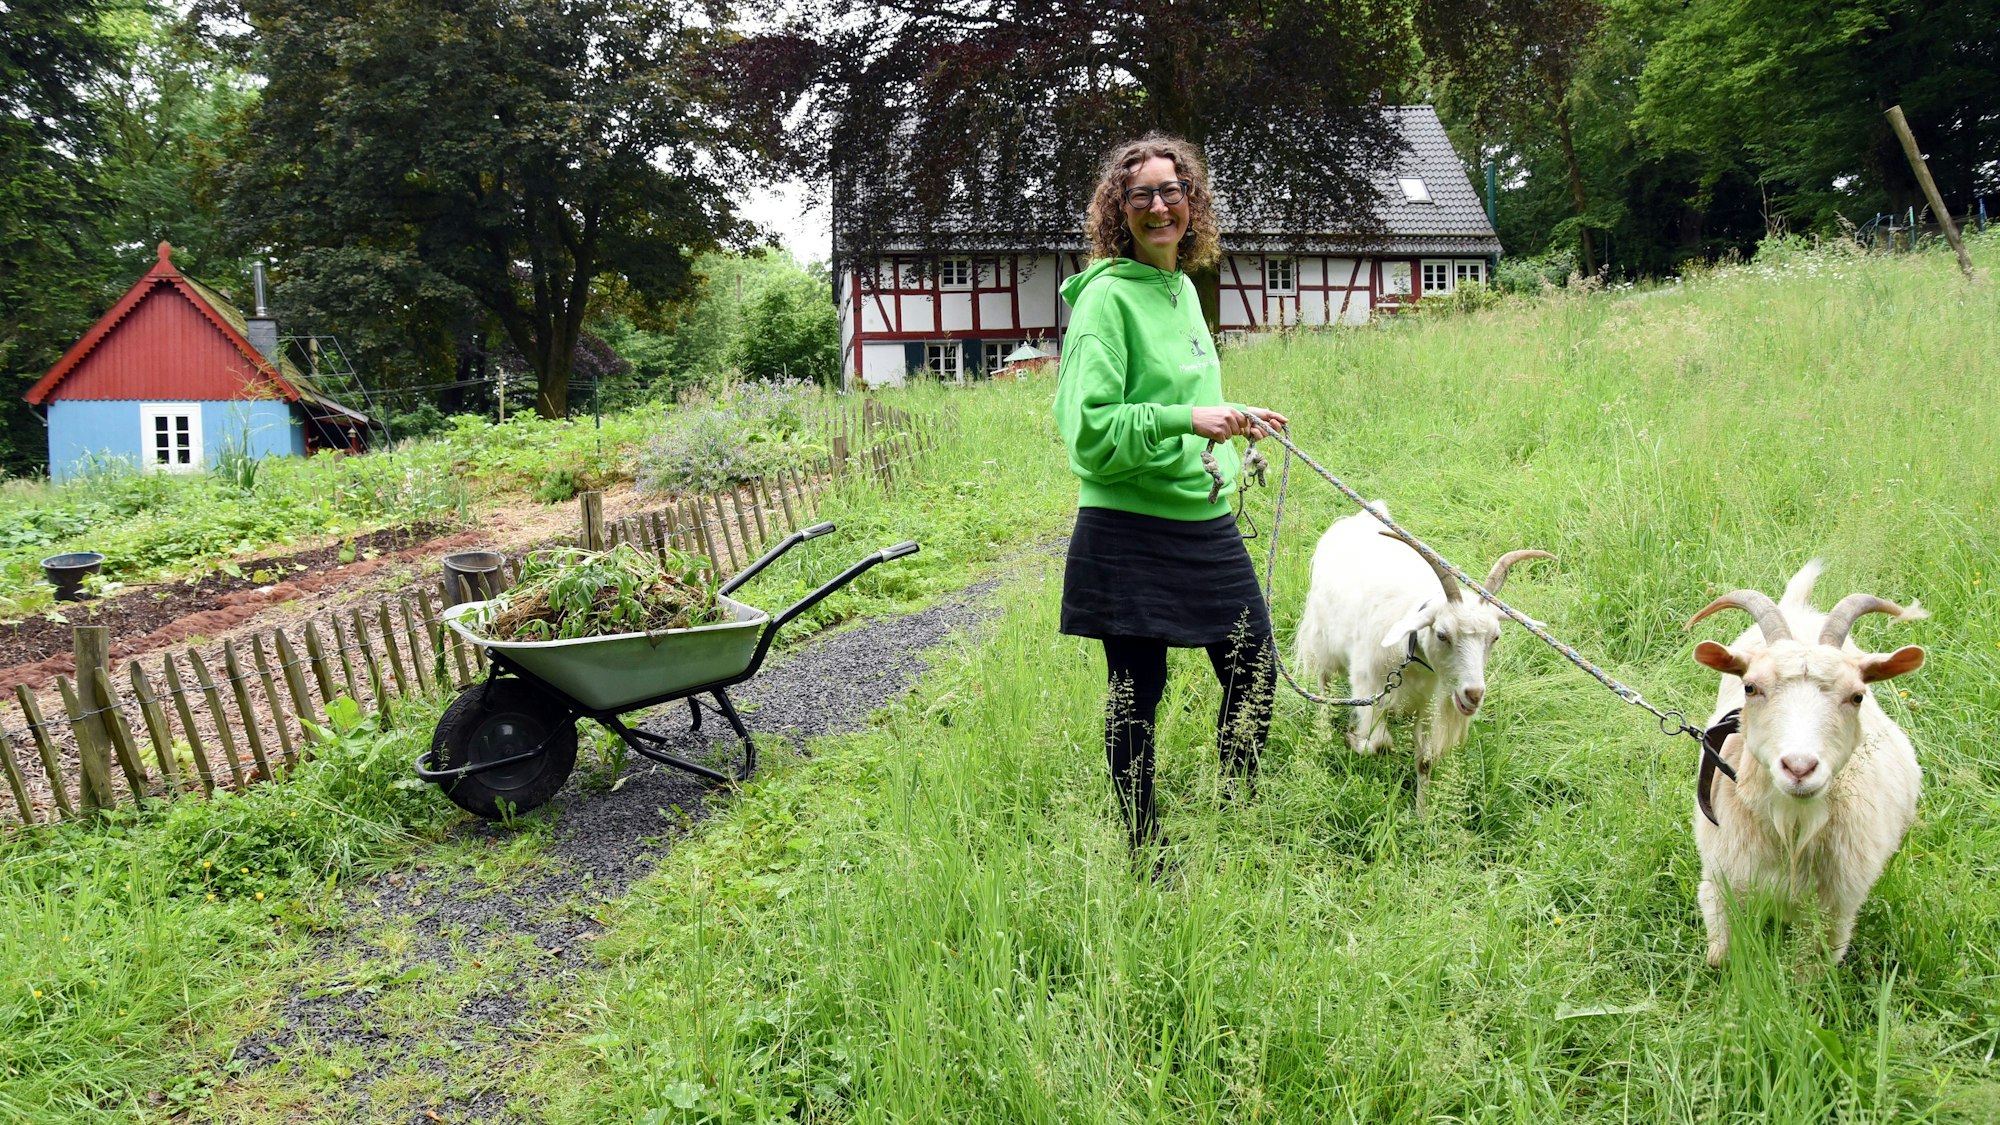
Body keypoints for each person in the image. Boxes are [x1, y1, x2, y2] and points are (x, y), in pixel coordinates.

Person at [1052, 133, 1288, 868]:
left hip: (1203, 518)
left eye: (1173, 191)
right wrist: (1188, 420)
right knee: (1137, 689)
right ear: (1117, 211)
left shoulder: (1181, 288)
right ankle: (1143, 843)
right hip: (1126, 525)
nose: (1160, 206)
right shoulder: (1105, 303)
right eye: (1142, 194)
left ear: (1193, 203)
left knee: (1253, 664)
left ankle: (1235, 808)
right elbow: (1089, 432)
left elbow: (1181, 395)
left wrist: (1229, 412)